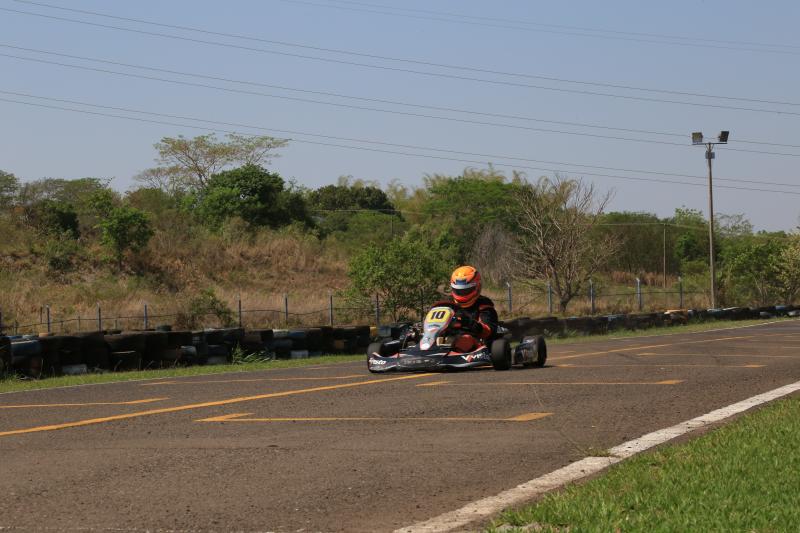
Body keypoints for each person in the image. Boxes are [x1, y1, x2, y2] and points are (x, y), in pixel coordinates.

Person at [432, 266, 498, 349]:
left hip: (472, 340)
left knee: (465, 340)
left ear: (477, 287)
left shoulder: (484, 304)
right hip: (445, 339)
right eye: (458, 290)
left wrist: (469, 322)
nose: (462, 293)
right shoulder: (445, 303)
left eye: (465, 290)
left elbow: (488, 331)